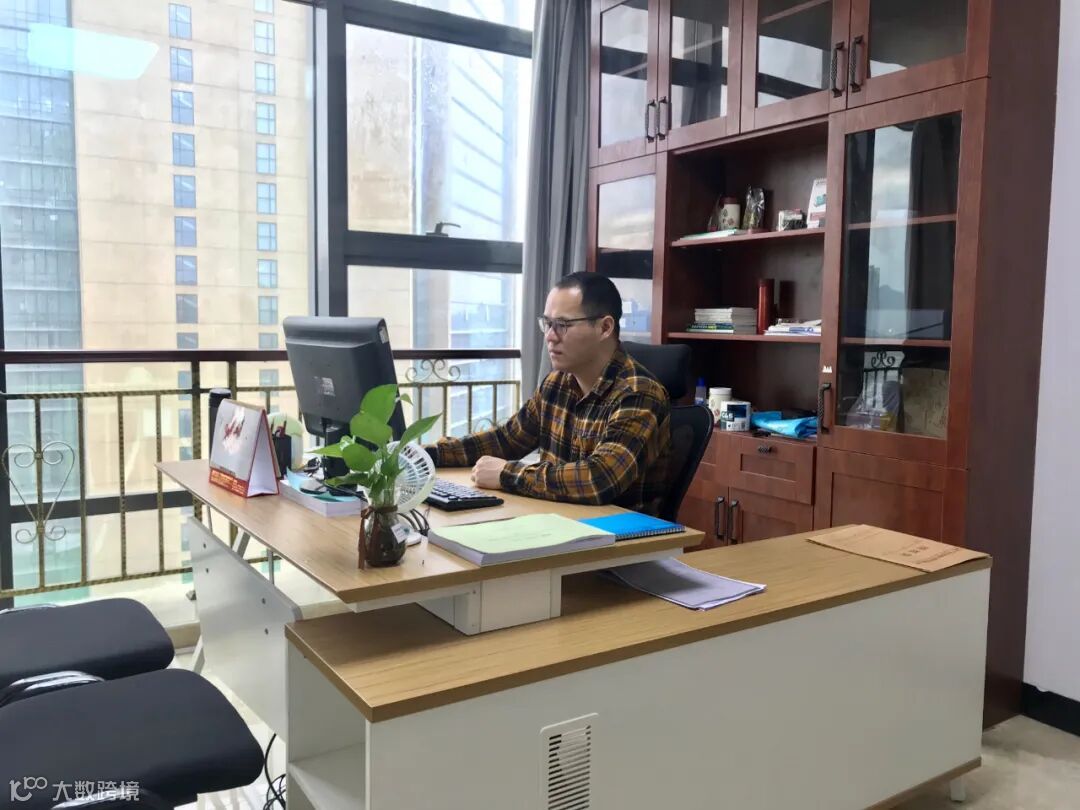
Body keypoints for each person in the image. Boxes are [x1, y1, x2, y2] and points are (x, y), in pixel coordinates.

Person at [428, 272, 671, 515]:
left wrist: (506, 474)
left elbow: (599, 478)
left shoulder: (638, 393)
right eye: (547, 323)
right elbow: (507, 440)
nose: (550, 337)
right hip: (558, 522)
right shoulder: (557, 383)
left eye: (563, 325)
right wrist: (428, 455)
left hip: (616, 532)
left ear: (604, 327)